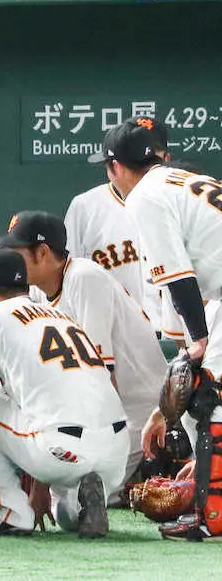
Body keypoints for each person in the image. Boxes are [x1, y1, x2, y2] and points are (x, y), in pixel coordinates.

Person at [92, 121, 222, 541]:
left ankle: (213, 515)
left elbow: (180, 278)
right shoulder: (181, 182)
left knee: (211, 401)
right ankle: (210, 497)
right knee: (202, 393)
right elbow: (179, 314)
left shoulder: (145, 196)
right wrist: (162, 411)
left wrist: (199, 345)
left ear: (115, 167)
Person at [0, 248, 129, 538]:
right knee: (66, 517)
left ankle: (13, 514)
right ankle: (82, 501)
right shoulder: (61, 314)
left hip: (59, 448)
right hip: (115, 454)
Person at [0, 210, 165, 488]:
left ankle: (149, 471)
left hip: (138, 416)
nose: (11, 260)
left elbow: (100, 376)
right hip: (99, 412)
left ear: (43, 252)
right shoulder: (39, 293)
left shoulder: (84, 278)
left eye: (17, 252)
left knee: (76, 497)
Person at [66, 116, 171, 331]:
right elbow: (66, 279)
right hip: (113, 337)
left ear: (165, 159)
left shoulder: (179, 200)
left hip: (178, 335)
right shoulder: (85, 207)